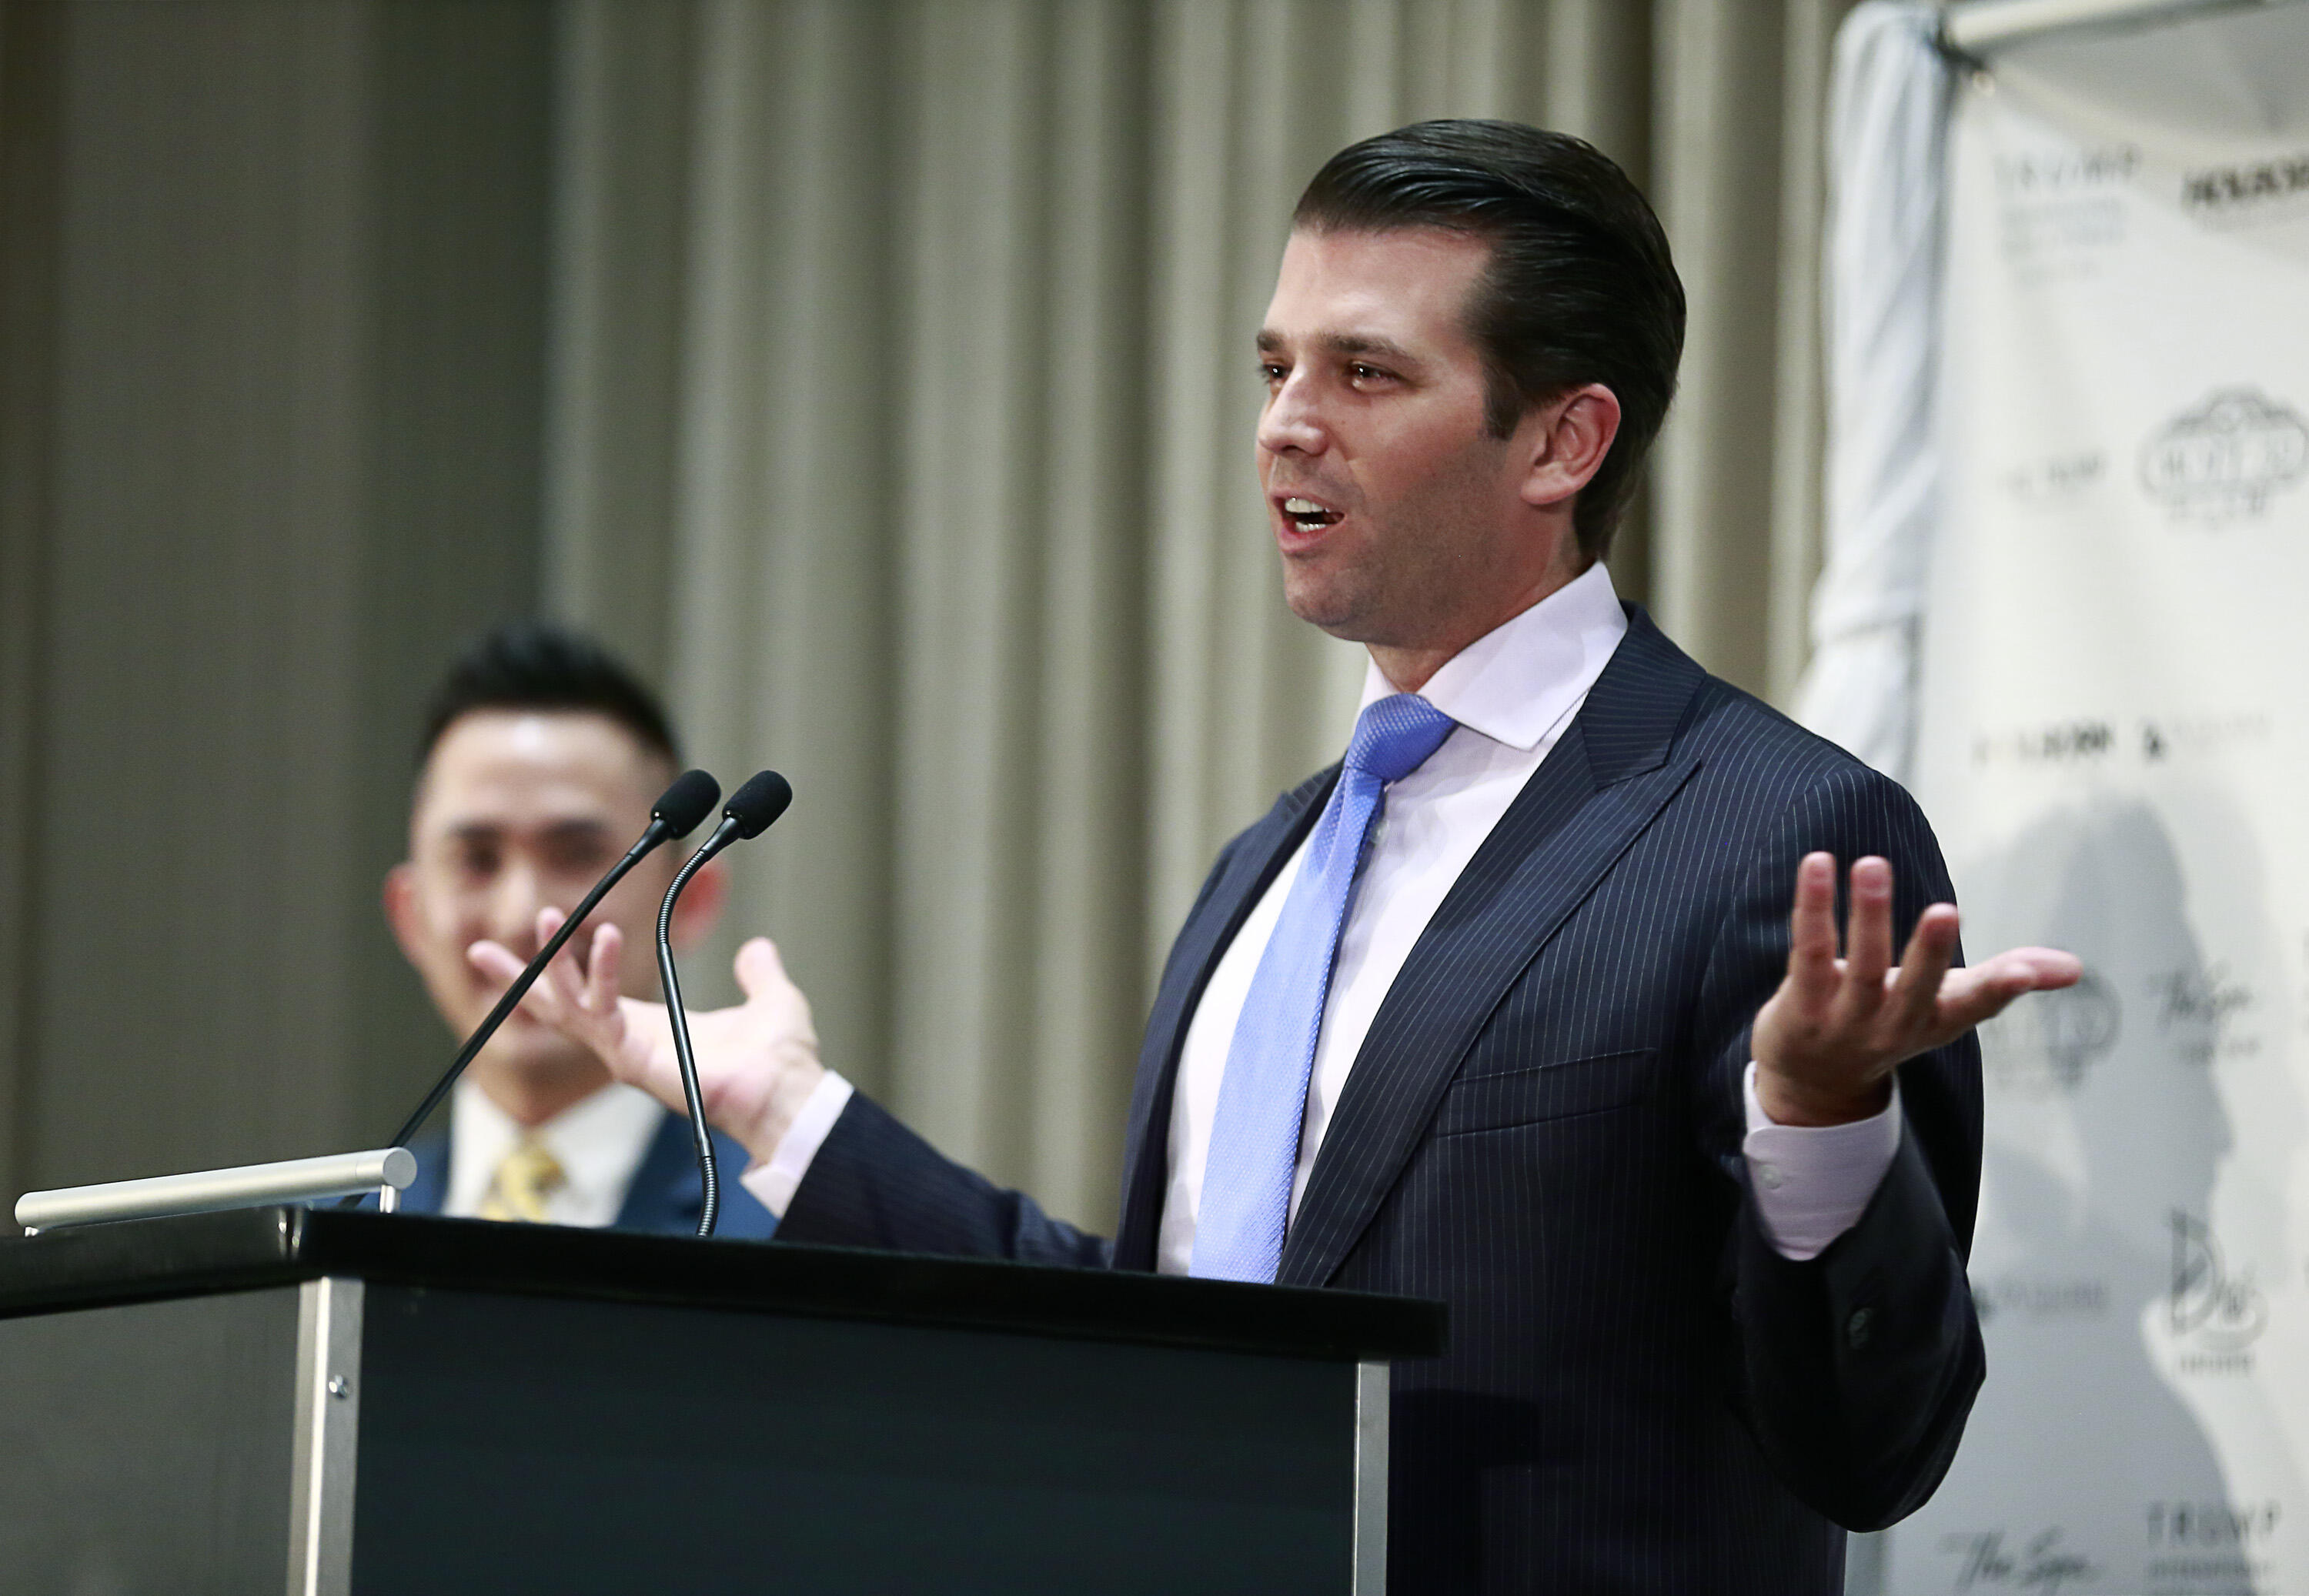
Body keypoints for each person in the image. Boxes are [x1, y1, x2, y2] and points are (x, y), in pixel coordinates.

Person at [478, 123, 2078, 1591]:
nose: (1284, 427)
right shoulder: (1273, 862)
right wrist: (786, 1112)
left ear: (1562, 440)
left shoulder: (1774, 831)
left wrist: (1816, 1122)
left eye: (1366, 373)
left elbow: (1874, 1445)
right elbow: (1164, 1337)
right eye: (1274, 365)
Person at [383, 622, 775, 1238]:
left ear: (691, 899)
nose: (521, 917)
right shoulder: (321, 1250)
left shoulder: (784, 1235)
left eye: (576, 855)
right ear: (410, 917)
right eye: (478, 859)